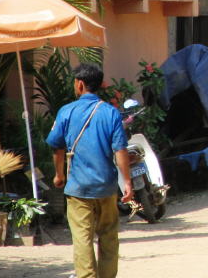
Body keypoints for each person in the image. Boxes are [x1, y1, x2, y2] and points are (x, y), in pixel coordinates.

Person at [47, 63, 133, 278]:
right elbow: (120, 150)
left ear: (80, 84)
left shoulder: (66, 112)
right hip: (106, 187)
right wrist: (128, 183)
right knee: (109, 237)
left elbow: (57, 147)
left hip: (78, 188)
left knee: (82, 239)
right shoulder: (111, 113)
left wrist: (59, 175)